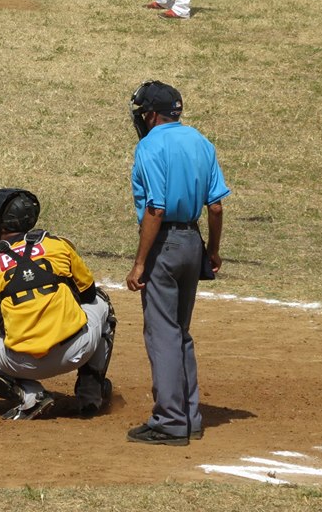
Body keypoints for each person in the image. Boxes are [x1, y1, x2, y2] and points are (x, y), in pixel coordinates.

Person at [0, 189, 116, 421]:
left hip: (25, 363)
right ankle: (91, 395)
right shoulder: (57, 245)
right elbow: (89, 293)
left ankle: (31, 396)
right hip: (78, 349)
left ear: (0, 221)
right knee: (102, 303)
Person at [125, 80, 230, 444]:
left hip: (164, 246)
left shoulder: (149, 146)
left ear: (152, 114)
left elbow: (155, 208)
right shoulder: (201, 141)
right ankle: (189, 417)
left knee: (162, 333)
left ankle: (170, 422)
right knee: (180, 332)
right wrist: (212, 251)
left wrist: (140, 262)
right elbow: (215, 206)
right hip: (192, 244)